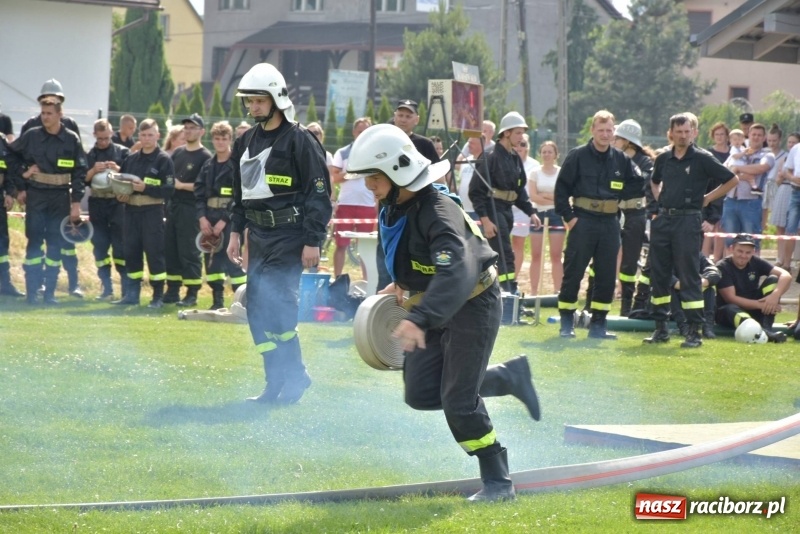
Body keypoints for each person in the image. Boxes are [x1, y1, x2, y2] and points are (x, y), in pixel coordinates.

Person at [346, 123, 541, 502]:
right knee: (419, 393)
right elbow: (407, 252)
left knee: (457, 401)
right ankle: (506, 378)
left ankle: (499, 482)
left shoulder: (438, 212)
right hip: (433, 305)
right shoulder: (395, 204)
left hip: (473, 304)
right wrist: (401, 284)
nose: (368, 185)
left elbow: (457, 271)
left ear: (398, 171)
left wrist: (419, 318)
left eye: (373, 177)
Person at [226, 62, 332, 405]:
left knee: (280, 309)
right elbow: (238, 194)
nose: (253, 107)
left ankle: (294, 377)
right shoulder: (246, 141)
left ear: (276, 99)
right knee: (256, 309)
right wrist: (235, 233)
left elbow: (319, 195)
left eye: (259, 100)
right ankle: (278, 382)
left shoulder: (301, 141)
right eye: (249, 101)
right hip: (258, 237)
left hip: (290, 236)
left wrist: (313, 241)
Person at [643, 113, 737, 348]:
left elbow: (732, 180)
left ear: (694, 132)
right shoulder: (663, 157)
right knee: (660, 275)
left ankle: (694, 333)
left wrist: (707, 199)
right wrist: (659, 202)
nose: (683, 136)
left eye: (688, 131)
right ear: (671, 133)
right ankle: (660, 329)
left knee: (689, 276)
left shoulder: (703, 158)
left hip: (688, 221)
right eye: (679, 131)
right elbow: (654, 181)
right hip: (664, 221)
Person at [554, 110, 643, 339]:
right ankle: (566, 322)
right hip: (582, 220)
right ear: (592, 130)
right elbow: (561, 190)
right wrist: (570, 218)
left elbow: (636, 184)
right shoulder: (577, 156)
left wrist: (619, 202)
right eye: (601, 130)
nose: (605, 134)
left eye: (609, 130)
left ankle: (598, 325)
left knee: (605, 275)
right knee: (574, 271)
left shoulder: (621, 159)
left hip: (610, 223)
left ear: (614, 133)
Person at [8, 97, 87, 305]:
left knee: (55, 246)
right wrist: (23, 175)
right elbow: (9, 154)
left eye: (49, 113)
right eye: (43, 113)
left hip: (60, 197)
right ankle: (32, 293)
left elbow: (80, 172)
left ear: (60, 115)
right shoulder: (32, 136)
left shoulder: (72, 139)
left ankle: (50, 294)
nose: (45, 117)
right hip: (37, 196)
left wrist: (76, 202)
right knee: (34, 244)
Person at [469, 111, 541, 293]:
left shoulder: (515, 158)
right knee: (504, 254)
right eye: (518, 132)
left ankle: (500, 292)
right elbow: (475, 192)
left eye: (523, 133)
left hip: (507, 211)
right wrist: (485, 220)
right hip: (492, 211)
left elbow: (519, 192)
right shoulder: (489, 156)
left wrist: (531, 212)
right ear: (506, 132)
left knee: (502, 254)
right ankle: (508, 292)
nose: (521, 137)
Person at [113, 119, 175, 307]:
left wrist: (146, 187)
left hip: (152, 211)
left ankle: (157, 296)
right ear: (138, 136)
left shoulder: (164, 160)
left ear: (158, 136)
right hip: (131, 211)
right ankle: (132, 295)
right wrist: (120, 195)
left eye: (151, 135)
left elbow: (169, 189)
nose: (147, 138)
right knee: (131, 252)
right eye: (144, 135)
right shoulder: (131, 159)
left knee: (154, 253)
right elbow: (121, 182)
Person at [194, 121, 246, 310]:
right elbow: (198, 193)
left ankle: (242, 302)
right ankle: (217, 302)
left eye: (224, 139)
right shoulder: (208, 165)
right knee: (212, 262)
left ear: (230, 140)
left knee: (234, 260)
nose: (220, 143)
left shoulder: (236, 165)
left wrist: (224, 221)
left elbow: (238, 195)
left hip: (231, 220)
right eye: (217, 139)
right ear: (212, 140)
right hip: (209, 218)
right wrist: (202, 218)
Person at [163, 113, 212, 308]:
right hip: (173, 207)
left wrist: (181, 185)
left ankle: (192, 293)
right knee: (171, 249)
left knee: (189, 251)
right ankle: (172, 290)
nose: (188, 131)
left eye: (193, 127)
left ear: (202, 131)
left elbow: (205, 187)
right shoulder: (178, 153)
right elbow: (168, 178)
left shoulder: (205, 156)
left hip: (191, 209)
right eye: (186, 128)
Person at [715, 233, 792, 343]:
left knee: (773, 279)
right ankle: (765, 332)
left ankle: (766, 328)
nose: (743, 255)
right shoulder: (722, 266)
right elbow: (731, 298)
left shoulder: (755, 261)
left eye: (748, 252)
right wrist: (762, 305)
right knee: (730, 308)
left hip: (756, 309)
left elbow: (786, 275)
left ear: (754, 252)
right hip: (730, 312)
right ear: (731, 249)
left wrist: (774, 296)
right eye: (740, 251)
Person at [613, 119, 654, 316]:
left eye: (618, 138)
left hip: (636, 214)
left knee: (629, 262)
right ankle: (591, 301)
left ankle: (626, 306)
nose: (614, 141)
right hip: (614, 212)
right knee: (602, 257)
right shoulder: (612, 158)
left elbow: (640, 185)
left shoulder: (645, 162)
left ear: (628, 141)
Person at [85, 118, 129, 299]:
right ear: (94, 135)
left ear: (111, 134)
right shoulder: (90, 156)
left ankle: (127, 289)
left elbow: (130, 178)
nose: (103, 141)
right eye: (100, 138)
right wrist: (93, 170)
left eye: (106, 137)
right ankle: (107, 288)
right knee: (100, 247)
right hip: (97, 203)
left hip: (117, 203)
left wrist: (118, 169)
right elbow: (83, 180)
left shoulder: (122, 152)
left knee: (120, 247)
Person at [329, 117, 375, 279]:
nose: (363, 134)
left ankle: (367, 282)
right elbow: (334, 177)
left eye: (366, 131)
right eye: (360, 131)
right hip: (347, 203)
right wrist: (353, 173)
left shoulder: (376, 153)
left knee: (366, 248)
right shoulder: (343, 152)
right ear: (354, 132)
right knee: (341, 244)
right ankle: (337, 279)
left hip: (368, 206)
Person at [721, 123, 774, 252]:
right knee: (730, 240)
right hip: (731, 200)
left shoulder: (767, 155)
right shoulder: (737, 151)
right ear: (748, 135)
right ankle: (729, 270)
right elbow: (724, 169)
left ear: (764, 138)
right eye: (753, 134)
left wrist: (737, 169)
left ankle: (754, 271)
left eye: (759, 135)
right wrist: (741, 172)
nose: (756, 137)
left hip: (751, 202)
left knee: (751, 241)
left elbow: (761, 168)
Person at [527, 140, 564, 296]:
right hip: (538, 214)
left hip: (557, 215)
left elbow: (563, 197)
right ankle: (534, 291)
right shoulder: (534, 173)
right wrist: (551, 198)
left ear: (556, 155)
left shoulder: (561, 172)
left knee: (556, 255)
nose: (547, 155)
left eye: (550, 152)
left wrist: (548, 196)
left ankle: (558, 291)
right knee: (536, 255)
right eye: (544, 152)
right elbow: (533, 196)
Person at [510, 133, 540, 280]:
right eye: (518, 144)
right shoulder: (506, 160)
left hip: (523, 209)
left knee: (518, 244)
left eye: (524, 144)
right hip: (505, 206)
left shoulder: (534, 165)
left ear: (528, 147)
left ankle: (512, 278)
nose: (520, 147)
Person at [669, 252, 720, 339]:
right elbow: (663, 275)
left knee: (710, 285)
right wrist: (683, 285)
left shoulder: (698, 255)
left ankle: (707, 326)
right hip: (670, 308)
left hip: (691, 300)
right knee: (669, 287)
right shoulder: (667, 254)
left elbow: (713, 271)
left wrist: (704, 281)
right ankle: (683, 326)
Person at [0, 132, 24, 296]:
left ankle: (5, 284)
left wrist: (9, 192)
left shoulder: (1, 140)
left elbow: (7, 167)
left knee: (2, 242)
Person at [704, 122, 730, 262]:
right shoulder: (708, 153)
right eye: (717, 134)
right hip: (711, 190)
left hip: (729, 191)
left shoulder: (733, 152)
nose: (720, 137)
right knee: (709, 226)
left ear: (727, 136)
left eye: (722, 134)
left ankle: (719, 259)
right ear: (713, 136)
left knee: (722, 227)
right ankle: (705, 257)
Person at [773, 131, 800, 267]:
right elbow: (783, 173)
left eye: (793, 141)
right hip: (791, 191)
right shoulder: (791, 153)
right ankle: (784, 261)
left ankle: (795, 261)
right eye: (789, 141)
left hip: (794, 191)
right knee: (788, 228)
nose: (790, 144)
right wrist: (791, 177)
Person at [763, 124, 786, 229]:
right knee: (762, 220)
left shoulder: (785, 155)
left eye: (774, 141)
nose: (771, 143)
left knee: (778, 222)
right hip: (762, 186)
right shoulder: (763, 153)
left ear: (780, 140)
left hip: (777, 186)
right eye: (769, 140)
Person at [456, 136, 482, 220]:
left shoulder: (487, 162)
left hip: (478, 211)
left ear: (481, 144)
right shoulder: (465, 161)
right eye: (468, 143)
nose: (469, 145)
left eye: (472, 143)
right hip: (463, 209)